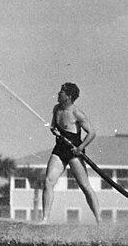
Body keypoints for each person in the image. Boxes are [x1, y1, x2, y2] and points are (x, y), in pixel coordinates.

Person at [40, 82, 100, 224]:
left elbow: (91, 133)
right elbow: (54, 125)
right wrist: (54, 130)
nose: (58, 93)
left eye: (61, 92)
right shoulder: (56, 109)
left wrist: (80, 148)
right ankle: (45, 219)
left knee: (85, 186)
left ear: (68, 96)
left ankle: (99, 219)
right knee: (48, 181)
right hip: (59, 149)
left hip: (74, 151)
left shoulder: (76, 113)